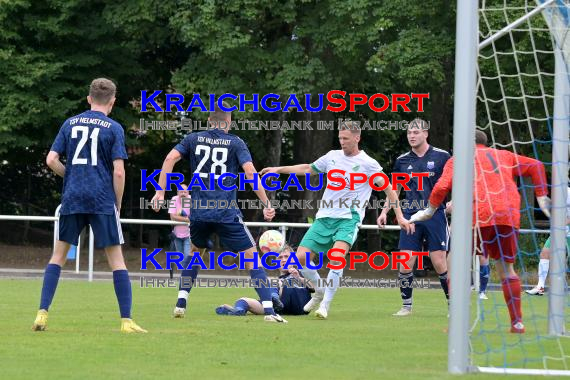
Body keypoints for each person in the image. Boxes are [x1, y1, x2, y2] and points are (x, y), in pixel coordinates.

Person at [261, 121, 414, 319]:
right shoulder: (332, 156)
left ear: (357, 138)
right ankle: (319, 291)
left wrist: (400, 216)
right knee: (299, 258)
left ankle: (325, 305)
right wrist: (279, 169)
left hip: (348, 219)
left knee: (337, 258)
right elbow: (308, 168)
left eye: (346, 138)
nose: (342, 142)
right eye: (340, 138)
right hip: (324, 217)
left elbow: (390, 190)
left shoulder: (369, 164)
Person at [151, 102, 286, 323]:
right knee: (252, 258)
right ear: (229, 122)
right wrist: (266, 202)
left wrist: (160, 192)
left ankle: (181, 303)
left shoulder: (193, 139)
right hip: (225, 212)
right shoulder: (235, 143)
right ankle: (270, 312)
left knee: (196, 253)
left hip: (199, 213)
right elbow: (250, 173)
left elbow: (169, 159)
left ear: (209, 121)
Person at [32, 78, 146, 333]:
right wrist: (117, 203)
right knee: (116, 261)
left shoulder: (70, 123)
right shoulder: (114, 128)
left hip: (73, 197)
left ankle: (42, 313)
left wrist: (70, 176)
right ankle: (126, 321)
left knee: (58, 257)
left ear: (88, 99)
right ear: (113, 102)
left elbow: (51, 160)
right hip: (101, 199)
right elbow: (119, 172)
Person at [409, 130, 550, 333]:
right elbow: (536, 165)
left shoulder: (459, 159)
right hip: (507, 216)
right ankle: (517, 323)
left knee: (454, 264)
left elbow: (441, 187)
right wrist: (542, 199)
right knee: (506, 269)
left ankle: (457, 323)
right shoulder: (505, 155)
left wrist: (429, 210)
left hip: (477, 214)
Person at [378, 119, 451, 316]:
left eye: (416, 132)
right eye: (409, 132)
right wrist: (385, 212)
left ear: (426, 134)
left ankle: (453, 305)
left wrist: (455, 203)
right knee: (405, 261)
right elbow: (394, 190)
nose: (412, 136)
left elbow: (456, 181)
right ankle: (406, 306)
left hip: (435, 214)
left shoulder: (442, 156)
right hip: (410, 216)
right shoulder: (402, 160)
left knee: (438, 262)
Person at [215, 245, 313, 316]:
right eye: (280, 258)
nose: (283, 260)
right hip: (281, 309)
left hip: (301, 307)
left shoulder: (302, 271)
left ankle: (273, 298)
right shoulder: (277, 281)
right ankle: (237, 310)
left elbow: (316, 287)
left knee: (276, 283)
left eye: (287, 257)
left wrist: (298, 278)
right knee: (244, 300)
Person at [526, 185, 570, 296]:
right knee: (545, 253)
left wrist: (562, 222)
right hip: (558, 232)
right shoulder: (556, 193)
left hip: (567, 232)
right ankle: (540, 286)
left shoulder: (567, 193)